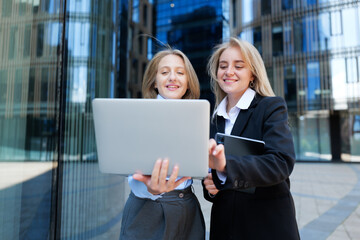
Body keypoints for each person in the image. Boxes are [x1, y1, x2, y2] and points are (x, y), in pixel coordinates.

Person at [202, 37, 300, 240]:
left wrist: (225, 165)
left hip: (266, 226)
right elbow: (215, 180)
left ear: (252, 74)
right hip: (225, 227)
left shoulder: (270, 107)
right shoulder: (214, 118)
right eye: (223, 66)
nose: (229, 72)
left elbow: (281, 162)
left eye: (239, 66)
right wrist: (212, 186)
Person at [120, 48, 205, 240]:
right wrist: (150, 189)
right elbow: (132, 174)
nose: (172, 78)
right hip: (147, 212)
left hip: (188, 210)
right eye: (165, 72)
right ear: (154, 82)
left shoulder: (196, 118)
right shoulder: (138, 117)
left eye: (180, 72)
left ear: (188, 83)